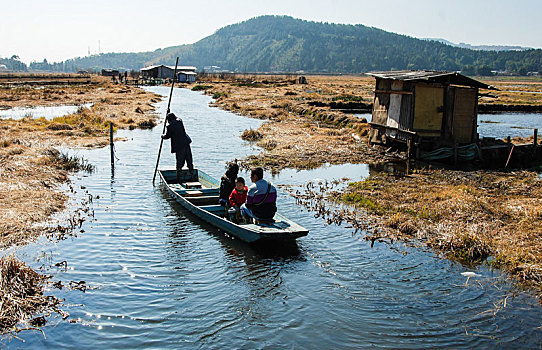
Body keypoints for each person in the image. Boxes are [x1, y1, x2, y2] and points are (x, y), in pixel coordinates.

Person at [161, 112, 194, 182]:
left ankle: (179, 179)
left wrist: (163, 136)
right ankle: (192, 176)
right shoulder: (180, 121)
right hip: (186, 143)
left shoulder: (170, 127)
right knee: (189, 161)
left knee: (179, 163)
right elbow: (176, 119)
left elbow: (167, 136)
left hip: (179, 146)